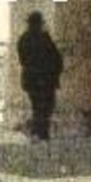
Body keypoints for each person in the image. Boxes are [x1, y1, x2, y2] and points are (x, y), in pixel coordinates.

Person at [17, 11, 63, 142]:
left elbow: (55, 57)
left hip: (37, 79)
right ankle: (40, 132)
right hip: (42, 78)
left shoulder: (25, 39)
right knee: (43, 106)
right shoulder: (40, 38)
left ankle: (40, 132)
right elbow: (26, 60)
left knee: (42, 106)